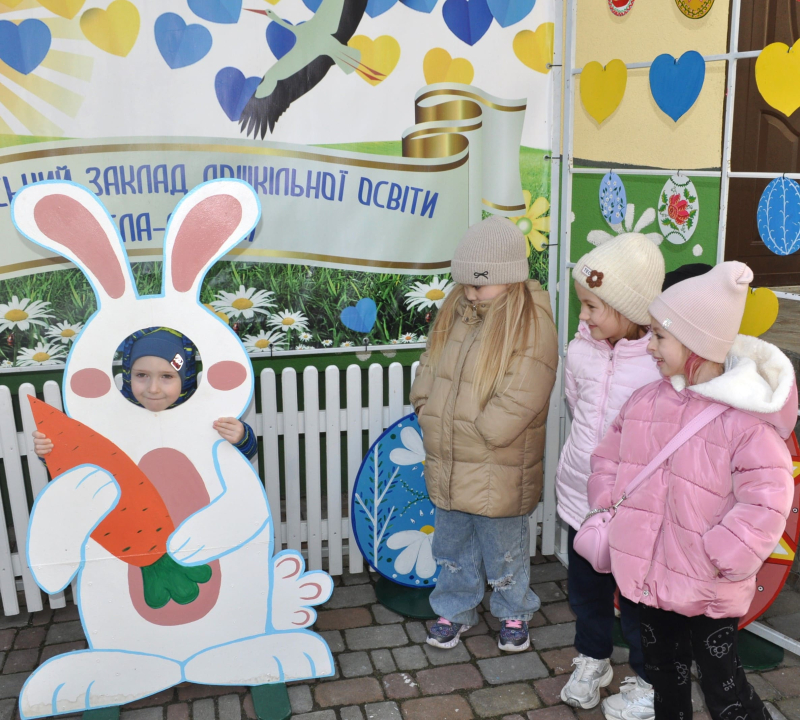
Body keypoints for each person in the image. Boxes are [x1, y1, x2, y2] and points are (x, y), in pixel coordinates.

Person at [588, 262, 795, 720]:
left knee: (724, 686)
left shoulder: (745, 421)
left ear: (695, 343)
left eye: (660, 336)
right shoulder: (646, 401)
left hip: (708, 581)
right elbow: (608, 457)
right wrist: (609, 507)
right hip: (652, 577)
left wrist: (723, 553)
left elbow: (768, 496)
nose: (650, 345)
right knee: (665, 676)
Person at [409, 216, 558, 653]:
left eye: (479, 284)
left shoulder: (530, 322)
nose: (471, 293)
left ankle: (514, 611)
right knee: (452, 544)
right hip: (451, 456)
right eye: (466, 284)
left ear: (509, 277)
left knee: (503, 546)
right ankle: (454, 609)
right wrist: (425, 407)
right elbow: (430, 364)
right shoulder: (457, 311)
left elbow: (525, 388)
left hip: (497, 461)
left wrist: (485, 433)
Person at [556, 233, 665, 717]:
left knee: (639, 601)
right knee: (586, 591)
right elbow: (577, 406)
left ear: (628, 309)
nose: (583, 316)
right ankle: (593, 658)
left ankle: (647, 677)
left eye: (591, 306)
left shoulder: (659, 365)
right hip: (582, 497)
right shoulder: (579, 351)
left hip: (635, 509)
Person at [33, 327, 258, 460]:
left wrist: (240, 437)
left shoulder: (205, 414)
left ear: (185, 377)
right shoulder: (111, 416)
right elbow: (79, 459)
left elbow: (245, 455)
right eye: (141, 375)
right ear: (128, 374)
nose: (153, 388)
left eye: (167, 376)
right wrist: (50, 452)